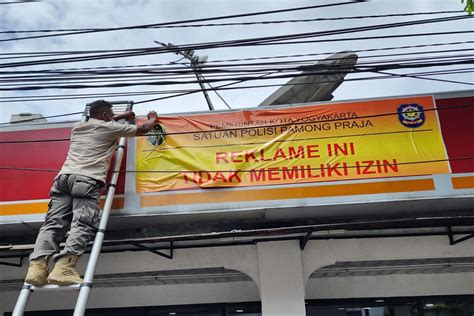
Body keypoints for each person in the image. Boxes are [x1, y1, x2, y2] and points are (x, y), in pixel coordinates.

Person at [24, 100, 158, 286]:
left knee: (53, 224)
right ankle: (64, 268)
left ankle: (37, 268)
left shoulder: (78, 127)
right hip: (86, 180)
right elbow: (144, 129)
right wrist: (152, 119)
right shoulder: (109, 128)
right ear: (105, 116)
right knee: (82, 223)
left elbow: (103, 122)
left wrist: (119, 116)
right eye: (110, 115)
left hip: (63, 179)